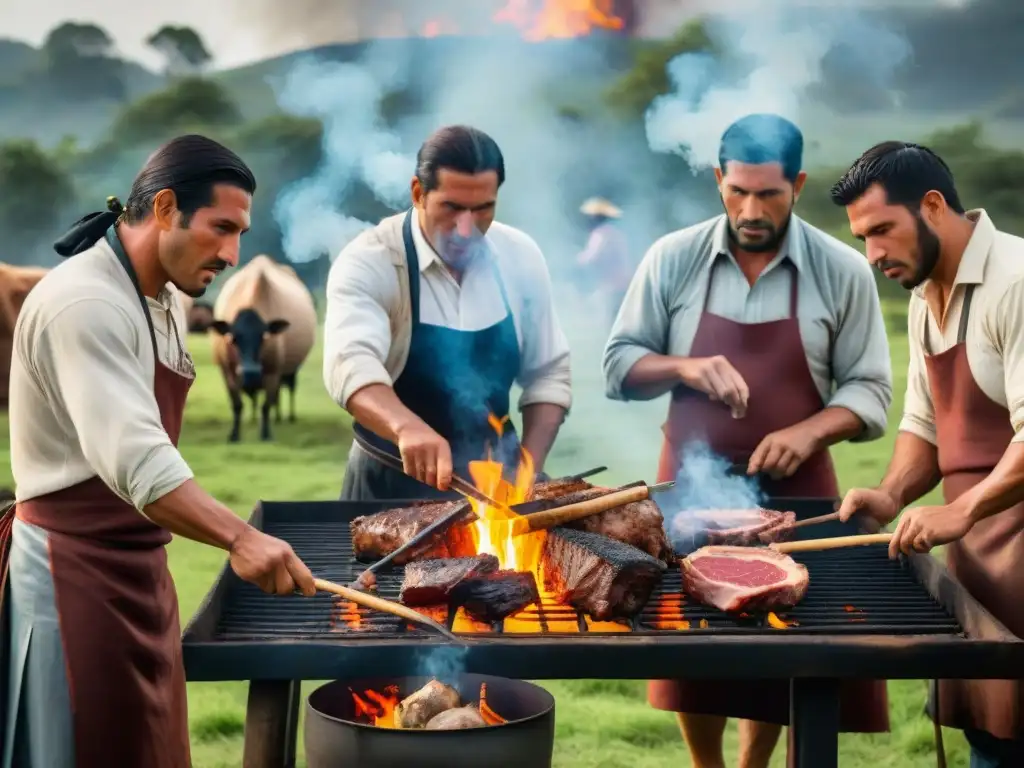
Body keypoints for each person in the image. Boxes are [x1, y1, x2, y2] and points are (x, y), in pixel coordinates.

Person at [0, 134, 316, 768]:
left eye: (241, 233)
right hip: (72, 578)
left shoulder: (163, 297)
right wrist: (241, 539)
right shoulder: (85, 302)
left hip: (141, 568)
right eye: (221, 229)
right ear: (166, 207)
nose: (233, 254)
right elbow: (138, 460)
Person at [602, 113, 893, 768]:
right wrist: (683, 367)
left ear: (799, 183)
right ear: (718, 180)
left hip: (799, 493)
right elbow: (618, 366)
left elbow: (871, 391)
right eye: (738, 191)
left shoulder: (841, 269)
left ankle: (754, 764)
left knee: (786, 653)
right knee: (690, 659)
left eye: (769, 194)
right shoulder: (673, 259)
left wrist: (812, 429)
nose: (751, 209)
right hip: (689, 490)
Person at [832, 142, 1024, 768]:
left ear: (934, 206)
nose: (873, 254)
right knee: (990, 742)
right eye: (863, 237)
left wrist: (961, 509)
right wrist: (890, 495)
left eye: (882, 230)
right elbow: (925, 424)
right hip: (978, 562)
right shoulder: (923, 298)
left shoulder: (1016, 283)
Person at [324, 125, 572, 500]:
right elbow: (351, 364)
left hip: (496, 485)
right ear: (418, 193)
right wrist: (406, 427)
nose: (466, 228)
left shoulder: (520, 256)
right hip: (388, 485)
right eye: (452, 208)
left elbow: (549, 374)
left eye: (483, 209)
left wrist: (529, 472)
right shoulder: (371, 260)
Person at [576, 196, 633, 327]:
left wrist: (579, 258)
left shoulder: (601, 234)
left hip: (611, 287)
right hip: (624, 284)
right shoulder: (616, 233)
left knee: (611, 325)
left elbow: (591, 257)